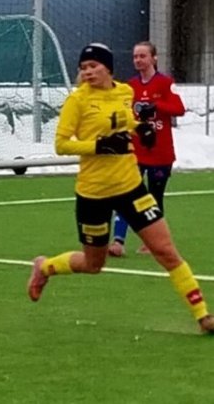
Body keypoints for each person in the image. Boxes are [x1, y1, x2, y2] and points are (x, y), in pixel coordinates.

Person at [27, 43, 213, 334]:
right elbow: (62, 144)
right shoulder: (77, 102)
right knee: (93, 264)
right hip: (93, 193)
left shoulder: (124, 91)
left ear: (108, 68)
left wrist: (142, 128)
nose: (88, 71)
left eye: (94, 66)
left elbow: (126, 119)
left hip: (131, 187)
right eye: (84, 67)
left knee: (165, 251)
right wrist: (98, 146)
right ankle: (45, 267)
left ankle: (203, 316)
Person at [109, 41, 185, 257]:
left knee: (154, 196)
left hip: (161, 153)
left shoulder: (165, 83)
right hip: (136, 151)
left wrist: (157, 106)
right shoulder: (129, 86)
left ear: (154, 58)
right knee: (125, 194)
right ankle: (118, 241)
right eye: (135, 57)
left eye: (142, 56)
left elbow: (179, 109)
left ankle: (152, 242)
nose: (138, 60)